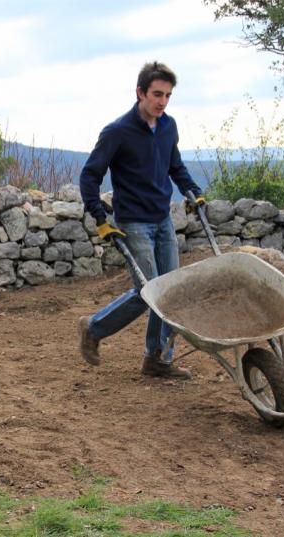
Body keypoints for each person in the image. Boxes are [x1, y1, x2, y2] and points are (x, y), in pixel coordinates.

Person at [77, 62, 205, 379]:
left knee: (169, 291)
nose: (162, 102)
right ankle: (94, 328)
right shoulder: (117, 132)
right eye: (157, 94)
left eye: (167, 96)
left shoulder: (168, 126)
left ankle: (157, 358)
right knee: (149, 292)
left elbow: (175, 166)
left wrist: (192, 190)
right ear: (140, 93)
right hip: (133, 221)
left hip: (162, 218)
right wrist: (100, 216)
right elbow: (89, 176)